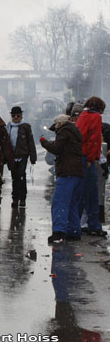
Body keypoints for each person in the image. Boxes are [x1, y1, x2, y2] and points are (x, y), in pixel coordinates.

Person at [41, 114, 85, 244]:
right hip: (77, 172)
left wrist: (44, 142)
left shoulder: (64, 132)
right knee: (71, 203)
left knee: (59, 202)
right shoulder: (74, 132)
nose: (55, 130)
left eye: (55, 127)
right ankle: (74, 231)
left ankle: (59, 232)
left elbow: (57, 149)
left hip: (67, 172)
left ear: (59, 124)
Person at [75, 96, 106, 237]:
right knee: (89, 194)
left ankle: (90, 225)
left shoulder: (83, 115)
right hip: (87, 159)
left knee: (88, 193)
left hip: (80, 156)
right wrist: (91, 158)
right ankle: (88, 225)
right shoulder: (95, 117)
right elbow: (93, 140)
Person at [6, 105, 37, 209]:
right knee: (14, 177)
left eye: (18, 115)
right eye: (13, 115)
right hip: (12, 156)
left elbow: (31, 142)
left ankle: (22, 198)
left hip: (23, 155)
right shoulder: (8, 127)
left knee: (21, 175)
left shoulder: (26, 127)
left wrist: (33, 157)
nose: (15, 117)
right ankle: (15, 198)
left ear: (21, 116)